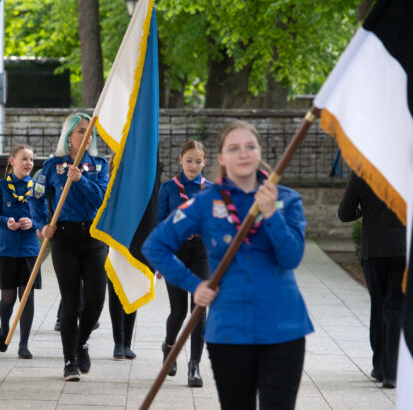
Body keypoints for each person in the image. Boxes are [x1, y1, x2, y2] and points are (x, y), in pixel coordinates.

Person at [143, 120, 313, 409]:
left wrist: (271, 213)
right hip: (229, 330)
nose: (243, 153)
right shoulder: (206, 201)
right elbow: (154, 245)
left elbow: (291, 257)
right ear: (222, 158)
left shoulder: (286, 199)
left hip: (283, 328)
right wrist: (194, 285)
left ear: (259, 152)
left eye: (250, 146)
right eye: (234, 148)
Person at [35, 113, 109, 381]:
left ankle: (82, 340)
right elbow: (36, 197)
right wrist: (43, 224)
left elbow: (102, 200)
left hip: (95, 238)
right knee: (71, 302)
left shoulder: (100, 166)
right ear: (68, 136)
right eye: (80, 131)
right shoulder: (51, 166)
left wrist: (81, 180)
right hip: (64, 238)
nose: (86, 136)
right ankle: (69, 361)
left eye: (90, 132)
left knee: (96, 299)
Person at [338, 172, 405, 388]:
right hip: (402, 249)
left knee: (378, 305)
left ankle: (379, 366)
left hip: (373, 250)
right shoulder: (406, 173)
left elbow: (345, 213)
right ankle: (392, 371)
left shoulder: (363, 173)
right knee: (395, 307)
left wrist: (363, 209)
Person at [156, 140, 212, 387]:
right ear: (180, 160)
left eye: (198, 161)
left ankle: (195, 366)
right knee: (178, 311)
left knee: (199, 310)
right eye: (189, 160)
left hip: (201, 252)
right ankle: (169, 347)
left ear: (205, 162)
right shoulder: (168, 188)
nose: (193, 165)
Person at [0, 144, 43, 360]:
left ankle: (24, 343)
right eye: (24, 159)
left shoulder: (37, 187)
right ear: (12, 161)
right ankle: (4, 327)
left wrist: (34, 222)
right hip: (6, 249)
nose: (29, 163)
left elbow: (45, 215)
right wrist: (5, 221)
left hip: (29, 249)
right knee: (8, 298)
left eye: (31, 159)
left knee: (27, 297)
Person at [106, 154, 137, 361]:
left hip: (135, 245)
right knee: (116, 291)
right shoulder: (107, 187)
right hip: (114, 245)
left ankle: (127, 343)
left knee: (132, 291)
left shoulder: (139, 189)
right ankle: (118, 342)